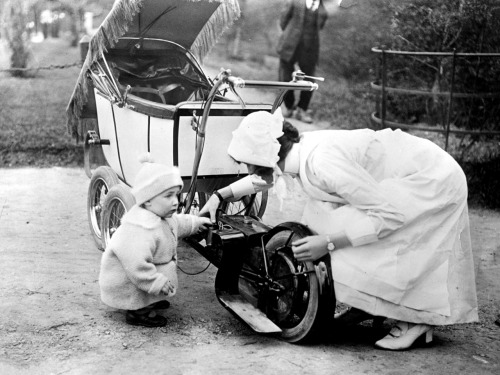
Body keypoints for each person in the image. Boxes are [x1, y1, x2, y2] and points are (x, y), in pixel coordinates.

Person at [199, 110, 479, 350]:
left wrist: (329, 243)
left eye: (250, 164)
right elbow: (265, 176)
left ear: (268, 158)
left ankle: (416, 320)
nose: (250, 170)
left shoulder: (323, 163)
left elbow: (389, 216)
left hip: (431, 179)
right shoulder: (294, 153)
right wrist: (220, 196)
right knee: (330, 225)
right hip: (407, 172)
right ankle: (371, 303)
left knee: (364, 239)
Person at [99, 154, 211, 327]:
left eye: (176, 195)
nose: (175, 202)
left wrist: (196, 223)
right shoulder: (139, 228)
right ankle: (138, 312)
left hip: (143, 274)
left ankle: (150, 298)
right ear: (148, 201)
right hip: (129, 281)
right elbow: (137, 267)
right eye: (168, 196)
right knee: (138, 288)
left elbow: (178, 223)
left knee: (155, 276)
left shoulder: (162, 217)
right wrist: (156, 283)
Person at [276, 0, 328, 123]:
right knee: (285, 77)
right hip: (289, 45)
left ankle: (302, 110)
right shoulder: (295, 2)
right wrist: (291, 34)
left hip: (309, 48)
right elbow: (283, 20)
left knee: (309, 79)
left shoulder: (322, 10)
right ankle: (289, 106)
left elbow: (320, 26)